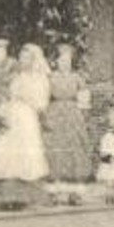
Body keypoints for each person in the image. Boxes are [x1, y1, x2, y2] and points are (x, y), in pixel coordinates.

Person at [0, 42, 52, 210]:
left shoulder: (39, 78)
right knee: (2, 154)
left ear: (34, 60)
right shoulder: (17, 76)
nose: (22, 61)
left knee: (23, 155)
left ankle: (21, 197)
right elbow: (7, 96)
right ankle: (0, 197)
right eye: (21, 57)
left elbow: (41, 103)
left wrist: (26, 100)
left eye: (26, 58)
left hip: (26, 118)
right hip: (10, 113)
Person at [42, 43, 95, 183]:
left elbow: (85, 99)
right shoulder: (50, 78)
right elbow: (44, 98)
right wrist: (45, 117)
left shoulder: (77, 78)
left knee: (75, 147)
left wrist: (84, 117)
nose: (65, 64)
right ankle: (56, 183)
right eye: (62, 60)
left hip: (73, 115)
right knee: (55, 147)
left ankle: (74, 186)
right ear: (56, 61)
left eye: (68, 61)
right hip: (55, 115)